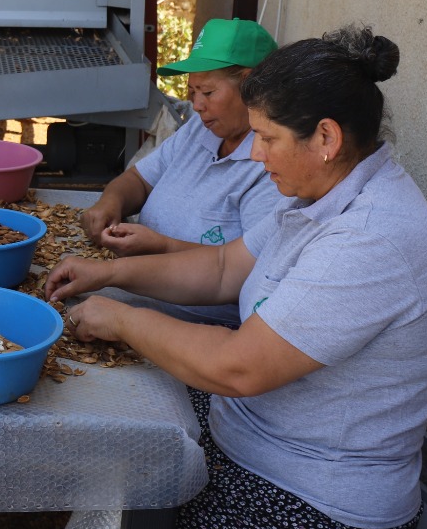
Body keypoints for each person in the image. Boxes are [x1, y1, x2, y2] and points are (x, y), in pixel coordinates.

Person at [46, 25, 427, 529]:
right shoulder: (318, 195)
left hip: (316, 503)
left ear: (325, 137)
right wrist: (110, 275)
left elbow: (240, 367)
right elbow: (221, 268)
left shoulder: (373, 238)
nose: (256, 154)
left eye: (266, 138)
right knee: (116, 457)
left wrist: (122, 320)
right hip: (252, 442)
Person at [78, 18, 283, 327]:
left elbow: (242, 271)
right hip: (136, 297)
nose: (197, 105)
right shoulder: (200, 131)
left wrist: (159, 246)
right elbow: (139, 179)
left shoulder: (272, 164)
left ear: (251, 85)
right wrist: (110, 203)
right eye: (192, 91)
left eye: (208, 92)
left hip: (193, 328)